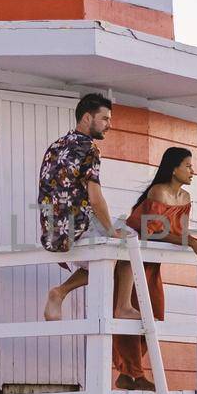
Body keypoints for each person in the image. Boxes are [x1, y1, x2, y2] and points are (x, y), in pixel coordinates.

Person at [113, 146, 197, 390]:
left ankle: (129, 374)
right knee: (132, 313)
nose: (193, 171)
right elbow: (154, 231)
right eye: (188, 166)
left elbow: (178, 232)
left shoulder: (185, 198)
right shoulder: (157, 192)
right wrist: (192, 242)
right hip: (131, 261)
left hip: (152, 263)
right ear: (174, 168)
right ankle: (133, 375)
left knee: (155, 314)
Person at [39, 93, 123, 320]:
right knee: (123, 241)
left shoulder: (55, 146)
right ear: (87, 118)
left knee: (110, 245)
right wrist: (111, 232)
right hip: (77, 228)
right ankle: (64, 293)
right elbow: (95, 199)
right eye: (104, 119)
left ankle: (61, 293)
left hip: (52, 232)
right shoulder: (89, 148)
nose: (109, 125)